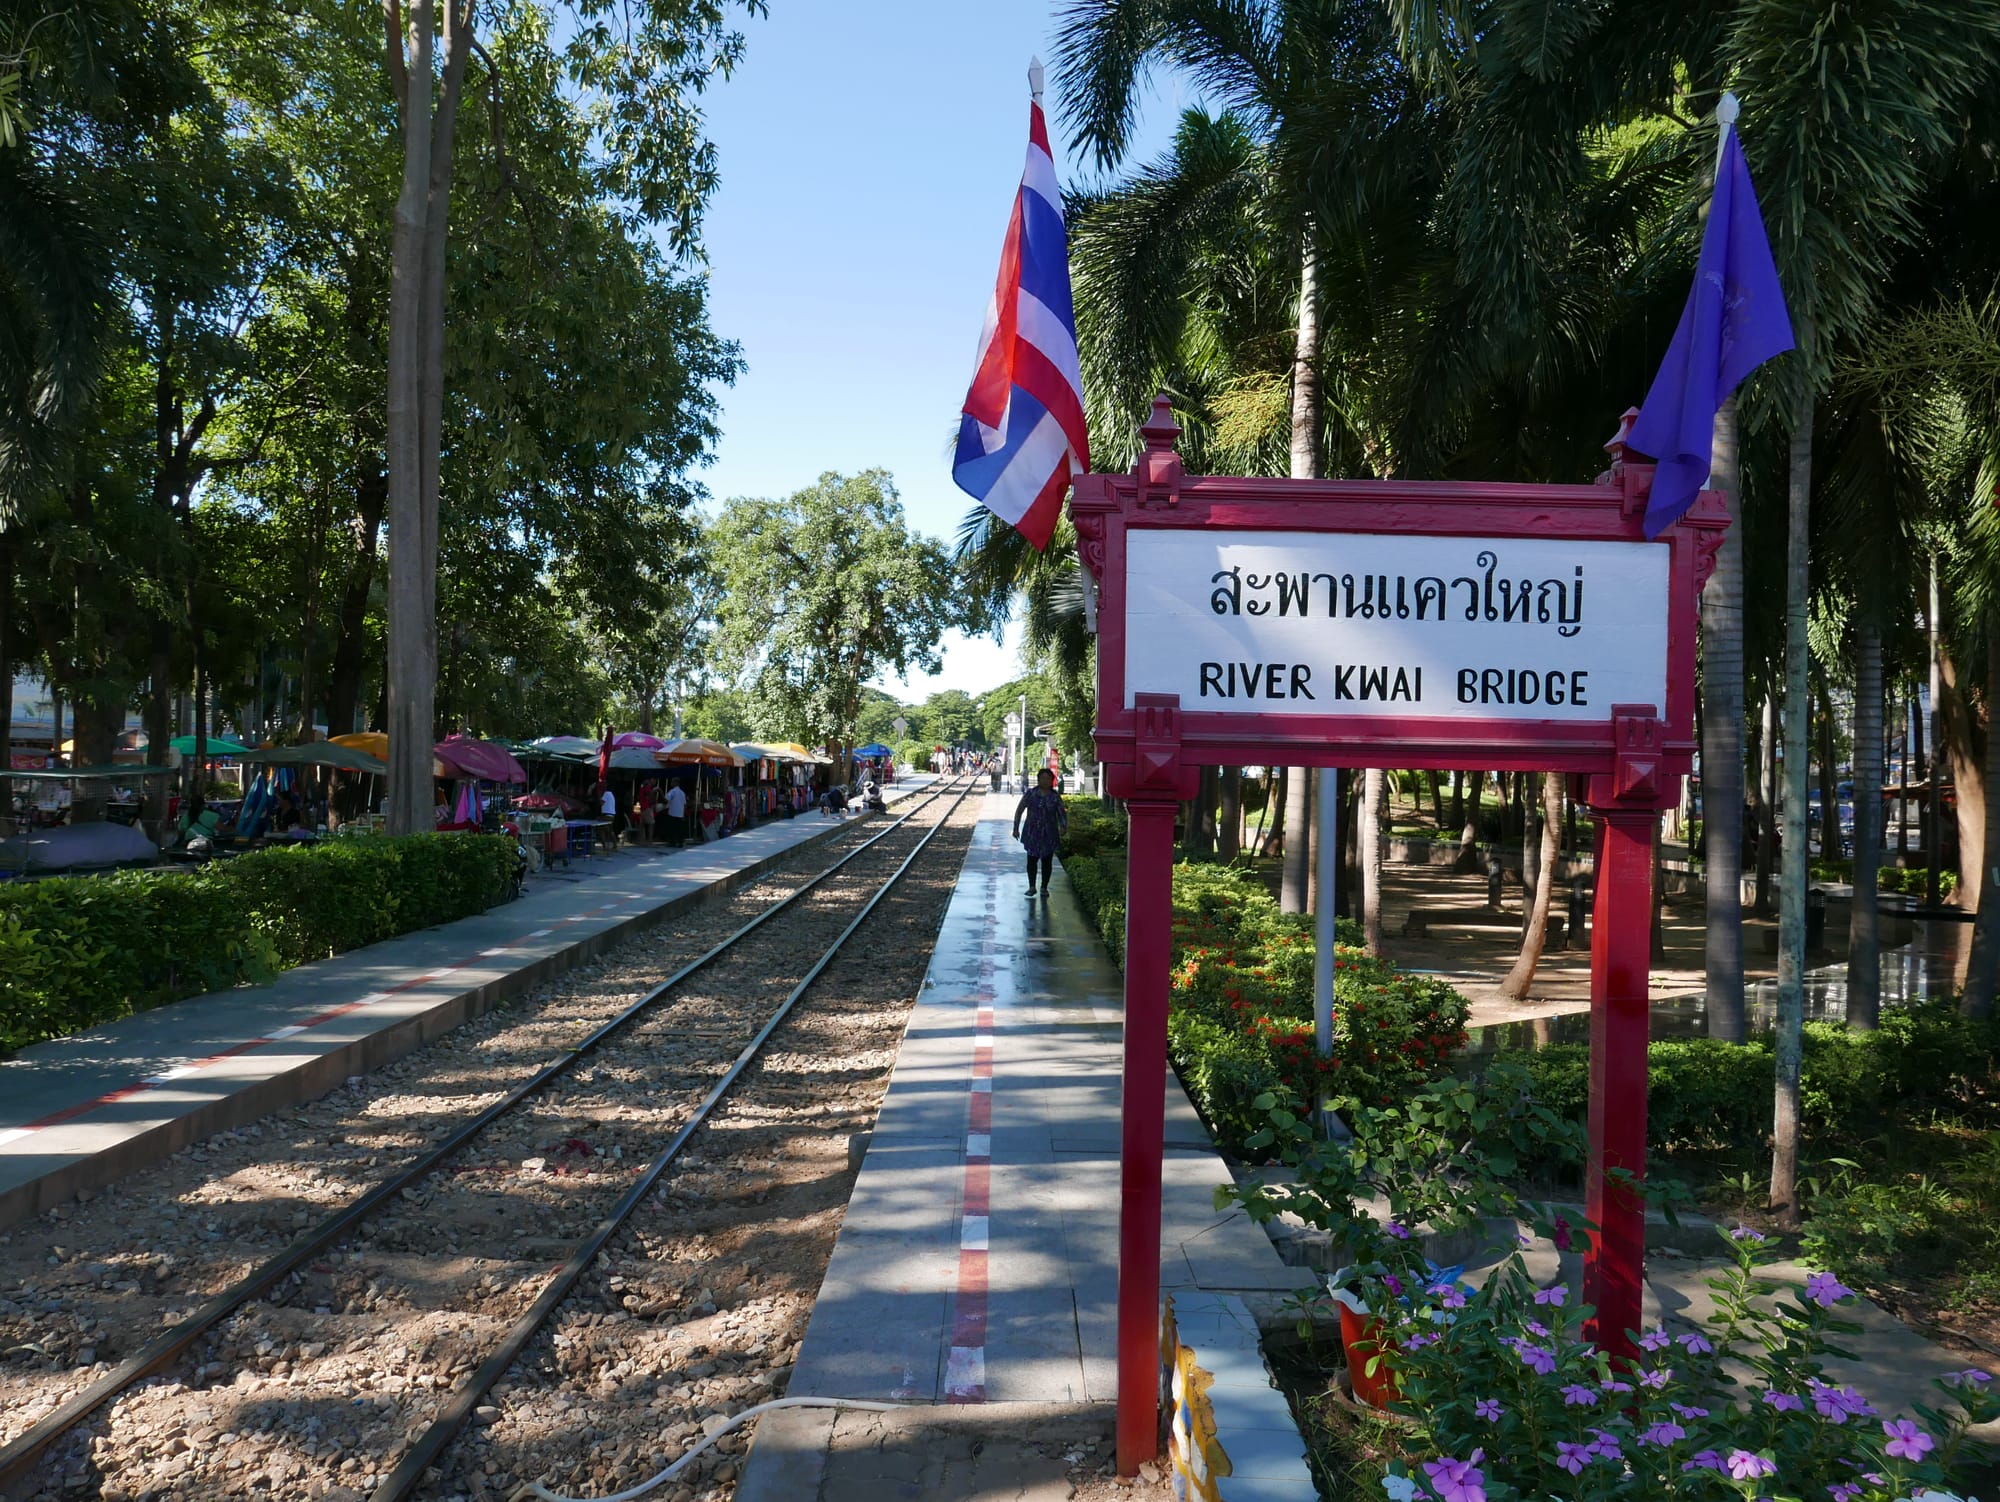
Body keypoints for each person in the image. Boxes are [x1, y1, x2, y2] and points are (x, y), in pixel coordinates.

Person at [1013, 767, 1067, 898]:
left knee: (1047, 861)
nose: (1045, 781)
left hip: (1049, 833)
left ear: (1052, 781)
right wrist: (1015, 828)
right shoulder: (1031, 794)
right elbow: (1019, 810)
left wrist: (1063, 827)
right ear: (1038, 780)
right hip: (1032, 833)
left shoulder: (1055, 797)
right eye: (1042, 778)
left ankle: (1044, 887)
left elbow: (1061, 814)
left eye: (1048, 778)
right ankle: (1032, 886)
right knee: (1031, 860)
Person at [664, 778, 688, 846]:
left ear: (675, 783)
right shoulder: (682, 793)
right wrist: (683, 813)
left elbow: (666, 799)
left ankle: (672, 842)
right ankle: (680, 842)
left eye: (672, 782)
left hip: (673, 813)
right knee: (679, 829)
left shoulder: (672, 791)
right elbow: (685, 804)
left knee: (672, 828)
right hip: (680, 814)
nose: (671, 783)